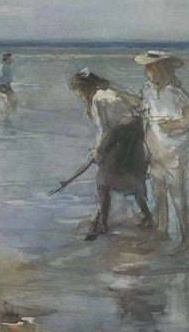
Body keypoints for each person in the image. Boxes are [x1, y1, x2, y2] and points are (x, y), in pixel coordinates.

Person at [65, 69, 153, 240]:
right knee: (133, 177)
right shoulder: (109, 92)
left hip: (120, 138)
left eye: (79, 93)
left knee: (103, 180)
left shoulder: (98, 98)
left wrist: (98, 151)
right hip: (134, 136)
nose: (80, 97)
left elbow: (107, 128)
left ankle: (102, 224)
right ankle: (148, 216)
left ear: (85, 88)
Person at [135, 49, 189, 253]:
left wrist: (173, 124)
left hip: (174, 151)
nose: (147, 72)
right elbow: (143, 111)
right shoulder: (148, 91)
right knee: (159, 192)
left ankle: (187, 239)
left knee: (178, 195)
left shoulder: (175, 93)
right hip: (156, 149)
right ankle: (162, 230)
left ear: (161, 70)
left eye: (150, 68)